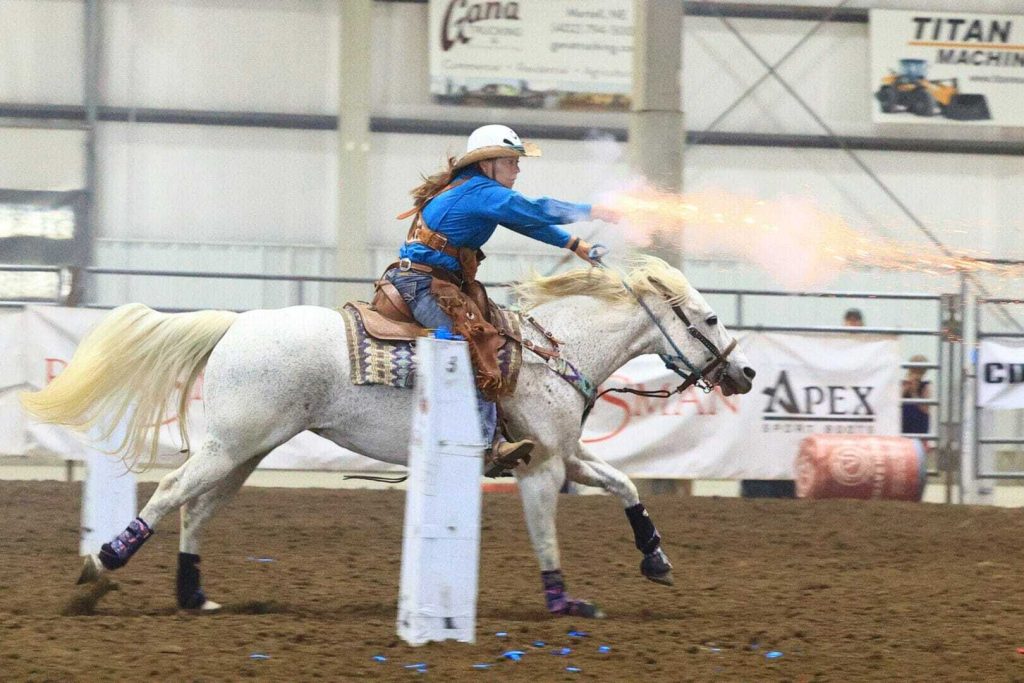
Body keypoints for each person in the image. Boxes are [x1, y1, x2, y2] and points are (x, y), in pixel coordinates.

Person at [382, 124, 619, 474]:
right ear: (486, 163)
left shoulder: (475, 190)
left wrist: (574, 244)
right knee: (476, 345)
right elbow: (536, 210)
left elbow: (526, 220)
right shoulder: (481, 192)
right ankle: (484, 443)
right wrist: (593, 210)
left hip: (429, 281)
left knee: (487, 341)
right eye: (510, 161)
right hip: (423, 284)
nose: (517, 169)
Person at [901, 354, 931, 435]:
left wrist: (914, 393)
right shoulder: (903, 384)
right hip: (903, 422)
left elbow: (925, 409)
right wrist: (907, 387)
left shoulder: (926, 386)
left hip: (919, 424)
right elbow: (894, 404)